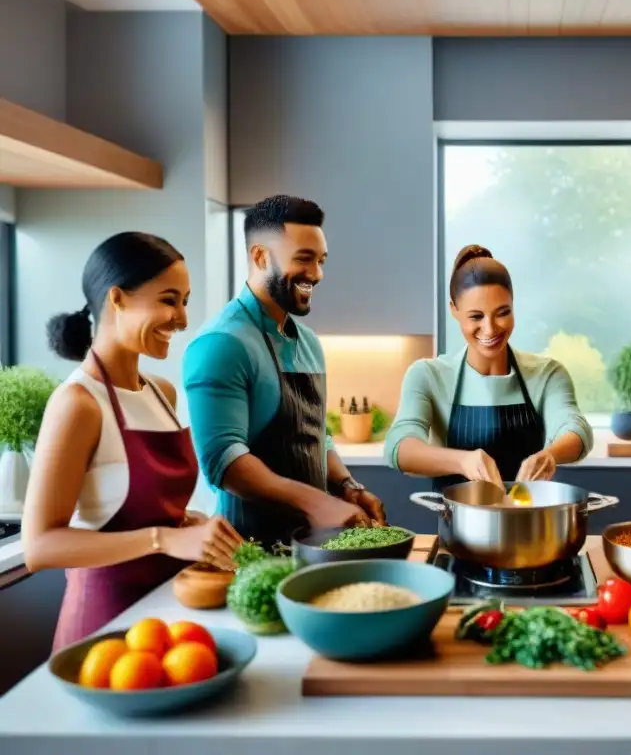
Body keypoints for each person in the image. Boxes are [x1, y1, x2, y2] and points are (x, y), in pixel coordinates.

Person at [21, 232, 244, 652]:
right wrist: (165, 537)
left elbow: (140, 507)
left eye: (185, 301)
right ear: (118, 298)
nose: (181, 319)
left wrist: (188, 524)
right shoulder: (78, 404)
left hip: (166, 619)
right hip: (103, 629)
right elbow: (39, 547)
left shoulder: (161, 392)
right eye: (168, 299)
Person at [183, 195, 385, 548]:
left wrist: (348, 487)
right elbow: (223, 460)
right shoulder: (220, 344)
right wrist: (318, 502)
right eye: (304, 259)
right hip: (248, 551)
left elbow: (316, 436)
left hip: (311, 546)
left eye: (321, 261)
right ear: (260, 257)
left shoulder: (308, 342)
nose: (317, 274)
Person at [385, 245, 593, 490]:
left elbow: (577, 429)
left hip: (530, 524)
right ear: (454, 309)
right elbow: (398, 446)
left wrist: (551, 454)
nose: (491, 328)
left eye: (502, 313)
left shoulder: (547, 374)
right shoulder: (428, 375)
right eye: (476, 316)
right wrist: (463, 461)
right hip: (455, 525)